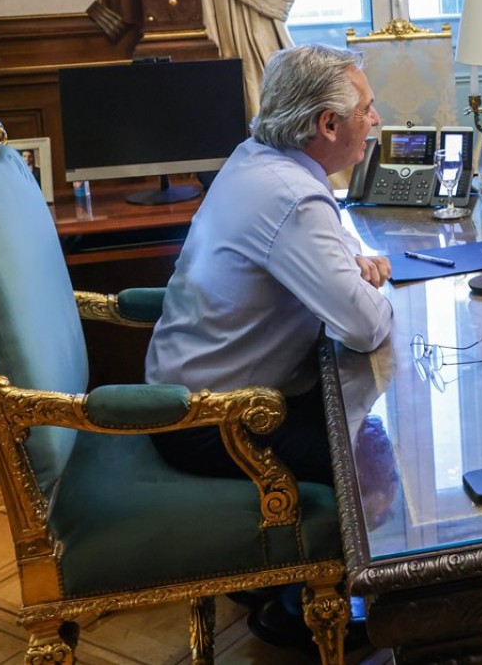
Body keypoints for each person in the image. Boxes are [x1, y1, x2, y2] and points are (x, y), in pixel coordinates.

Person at [146, 43, 392, 486]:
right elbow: (363, 326)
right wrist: (375, 292)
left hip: (188, 393)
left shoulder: (255, 157)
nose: (374, 120)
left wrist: (345, 261)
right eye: (367, 110)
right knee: (379, 471)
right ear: (329, 124)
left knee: (368, 419)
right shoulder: (293, 197)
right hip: (213, 422)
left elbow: (330, 237)